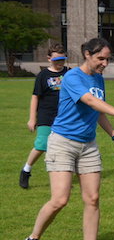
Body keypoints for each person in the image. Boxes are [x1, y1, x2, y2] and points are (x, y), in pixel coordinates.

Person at [21, 38, 114, 240]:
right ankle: (33, 239)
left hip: (88, 145)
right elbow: (90, 101)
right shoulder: (72, 77)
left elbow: (97, 111)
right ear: (86, 54)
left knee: (92, 198)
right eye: (100, 58)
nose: (104, 63)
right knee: (60, 199)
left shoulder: (98, 79)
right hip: (63, 142)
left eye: (107, 59)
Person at [20, 44, 70, 189]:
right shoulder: (43, 76)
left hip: (64, 116)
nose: (60, 63)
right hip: (46, 115)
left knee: (63, 146)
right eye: (56, 60)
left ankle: (61, 177)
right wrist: (32, 118)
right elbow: (35, 97)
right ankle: (26, 170)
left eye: (62, 59)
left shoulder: (69, 73)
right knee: (42, 144)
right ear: (49, 59)